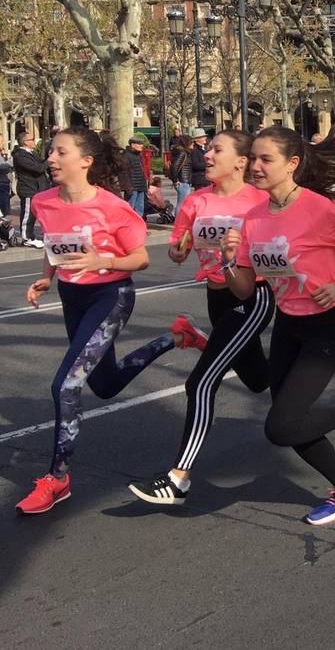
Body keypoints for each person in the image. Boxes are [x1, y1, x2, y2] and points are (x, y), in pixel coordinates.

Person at [15, 127, 193, 515]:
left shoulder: (112, 207)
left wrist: (103, 261)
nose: (50, 157)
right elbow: (54, 245)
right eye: (49, 151)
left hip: (110, 296)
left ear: (85, 161)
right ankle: (175, 337)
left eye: (60, 152)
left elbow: (140, 259)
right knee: (107, 384)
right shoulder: (45, 201)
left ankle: (58, 479)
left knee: (65, 385)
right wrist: (47, 277)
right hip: (72, 296)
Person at [219, 127, 335, 526]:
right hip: (288, 323)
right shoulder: (253, 219)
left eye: (265, 160)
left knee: (280, 426)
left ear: (292, 164)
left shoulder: (317, 209)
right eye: (252, 158)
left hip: (326, 324)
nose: (254, 166)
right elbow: (243, 290)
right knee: (290, 421)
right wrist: (227, 260)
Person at [128, 130, 276, 506]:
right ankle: (313, 357)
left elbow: (285, 249)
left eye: (216, 150)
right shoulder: (196, 201)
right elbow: (181, 247)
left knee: (201, 382)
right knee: (259, 380)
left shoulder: (260, 201)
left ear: (241, 162)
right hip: (216, 297)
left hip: (253, 295)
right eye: (207, 150)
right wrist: (179, 250)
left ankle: (178, 478)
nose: (206, 155)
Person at [14, 131, 50, 247]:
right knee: (27, 215)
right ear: (25, 142)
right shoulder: (20, 155)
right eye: (32, 139)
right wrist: (49, 161)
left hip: (38, 189)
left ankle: (33, 236)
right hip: (28, 189)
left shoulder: (32, 153)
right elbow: (37, 168)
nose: (34, 141)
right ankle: (26, 238)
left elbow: (41, 163)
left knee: (36, 215)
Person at [123, 135, 149, 218]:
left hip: (140, 186)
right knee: (130, 208)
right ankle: (129, 227)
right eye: (139, 144)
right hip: (132, 187)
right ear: (133, 145)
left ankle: (139, 226)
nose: (142, 146)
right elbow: (124, 173)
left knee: (140, 208)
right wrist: (128, 187)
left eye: (142, 144)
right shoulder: (126, 156)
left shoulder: (139, 155)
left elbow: (142, 170)